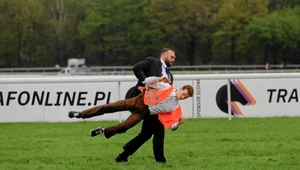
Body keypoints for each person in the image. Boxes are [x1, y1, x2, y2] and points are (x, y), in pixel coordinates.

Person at [68, 76, 194, 140]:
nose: (183, 97)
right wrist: (158, 78)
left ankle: (102, 130)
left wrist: (178, 123)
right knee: (110, 107)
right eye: (183, 94)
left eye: (185, 97)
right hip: (138, 100)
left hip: (145, 112)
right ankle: (80, 114)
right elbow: (146, 81)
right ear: (181, 88)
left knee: (124, 127)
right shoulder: (167, 87)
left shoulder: (175, 107)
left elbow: (172, 127)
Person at [120, 47, 176, 163]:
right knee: (158, 132)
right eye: (172, 57)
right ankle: (161, 161)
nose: (174, 60)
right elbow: (136, 68)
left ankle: (123, 155)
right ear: (164, 55)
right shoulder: (153, 62)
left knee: (146, 134)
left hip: (155, 107)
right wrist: (146, 80)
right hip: (144, 103)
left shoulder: (170, 75)